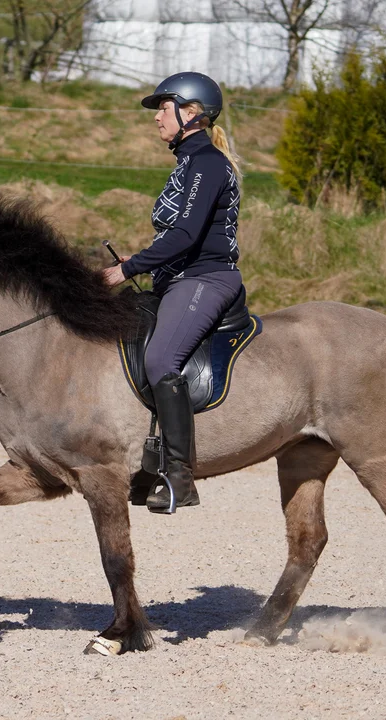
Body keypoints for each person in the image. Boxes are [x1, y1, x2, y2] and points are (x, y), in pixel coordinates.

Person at [102, 71, 243, 514]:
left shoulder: (207, 164)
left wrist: (126, 269)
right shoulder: (187, 163)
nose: (157, 117)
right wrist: (139, 264)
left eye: (164, 107)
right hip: (176, 280)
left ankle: (180, 476)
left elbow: (183, 236)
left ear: (192, 113)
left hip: (205, 279)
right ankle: (146, 462)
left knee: (162, 360)